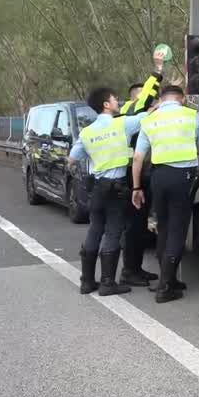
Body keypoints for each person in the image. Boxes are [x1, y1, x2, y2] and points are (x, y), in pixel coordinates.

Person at [132, 85, 199, 303]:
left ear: (161, 99)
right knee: (178, 229)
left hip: (158, 177)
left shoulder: (149, 120)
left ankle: (169, 279)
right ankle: (166, 287)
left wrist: (137, 188)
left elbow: (138, 158)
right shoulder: (190, 115)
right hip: (183, 178)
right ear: (182, 99)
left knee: (164, 228)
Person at [68, 87, 143, 297]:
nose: (118, 101)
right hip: (116, 187)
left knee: (95, 229)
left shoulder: (87, 132)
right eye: (114, 99)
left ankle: (87, 282)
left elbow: (72, 159)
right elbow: (148, 116)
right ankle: (108, 283)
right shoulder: (122, 124)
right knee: (113, 232)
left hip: (97, 188)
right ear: (106, 105)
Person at [117, 47, 170, 287]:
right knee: (135, 226)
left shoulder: (131, 112)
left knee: (137, 226)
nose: (153, 102)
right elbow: (148, 95)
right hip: (131, 175)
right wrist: (157, 70)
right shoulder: (132, 110)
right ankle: (130, 271)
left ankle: (135, 268)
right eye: (147, 97)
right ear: (135, 97)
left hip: (135, 173)